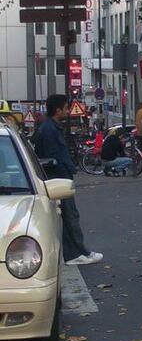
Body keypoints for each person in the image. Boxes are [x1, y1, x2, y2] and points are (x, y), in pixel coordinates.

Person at [34, 94, 103, 266]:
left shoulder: (50, 127)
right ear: (58, 110)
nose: (67, 111)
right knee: (70, 215)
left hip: (59, 176)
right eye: (65, 108)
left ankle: (75, 253)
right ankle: (78, 253)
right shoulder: (50, 130)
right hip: (59, 179)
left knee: (68, 216)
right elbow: (53, 157)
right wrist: (66, 169)